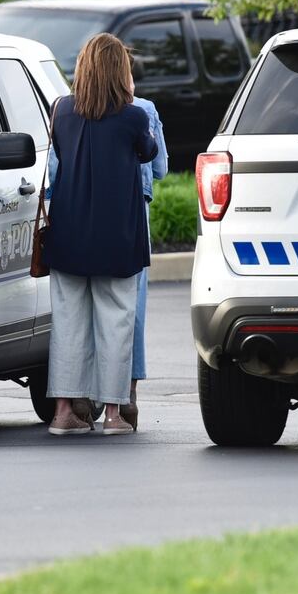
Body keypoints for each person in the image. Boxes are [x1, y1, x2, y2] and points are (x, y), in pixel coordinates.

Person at [42, 34, 158, 436]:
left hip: (69, 234)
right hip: (117, 237)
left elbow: (57, 156)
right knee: (116, 324)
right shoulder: (134, 116)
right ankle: (112, 415)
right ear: (119, 71)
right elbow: (149, 154)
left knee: (68, 326)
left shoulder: (62, 111)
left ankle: (63, 413)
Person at [125, 94, 167, 429]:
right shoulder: (143, 110)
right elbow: (160, 168)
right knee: (131, 307)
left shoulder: (69, 106)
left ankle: (80, 397)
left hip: (82, 209)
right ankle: (128, 394)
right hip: (135, 209)